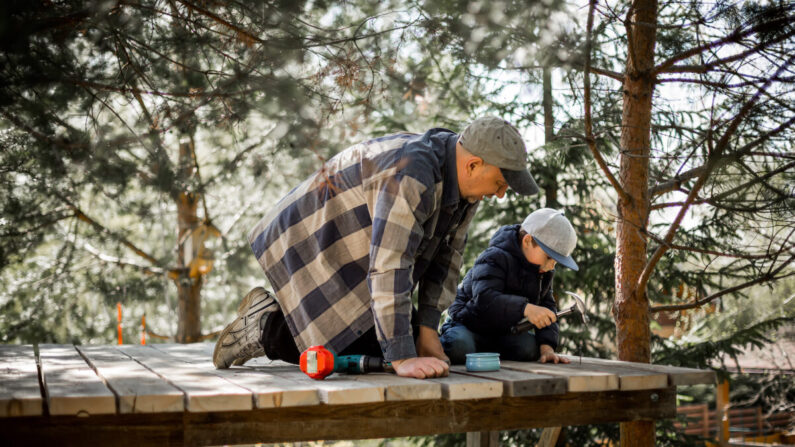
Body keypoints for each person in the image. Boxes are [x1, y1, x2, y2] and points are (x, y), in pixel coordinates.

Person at [213, 116, 540, 379]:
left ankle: (277, 322)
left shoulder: (467, 190)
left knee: (403, 340)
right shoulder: (414, 172)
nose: (500, 194)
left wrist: (426, 329)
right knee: (357, 347)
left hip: (359, 249)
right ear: (473, 165)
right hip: (311, 237)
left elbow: (447, 260)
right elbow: (390, 264)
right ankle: (263, 327)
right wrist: (401, 357)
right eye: (500, 183)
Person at [439, 208, 578, 365]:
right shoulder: (494, 257)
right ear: (527, 241)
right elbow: (484, 298)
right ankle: (454, 344)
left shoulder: (543, 271)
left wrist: (547, 348)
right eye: (549, 257)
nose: (551, 266)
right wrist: (525, 308)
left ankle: (484, 352)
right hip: (467, 323)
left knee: (530, 349)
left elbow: (547, 307)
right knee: (459, 347)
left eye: (556, 262)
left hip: (502, 331)